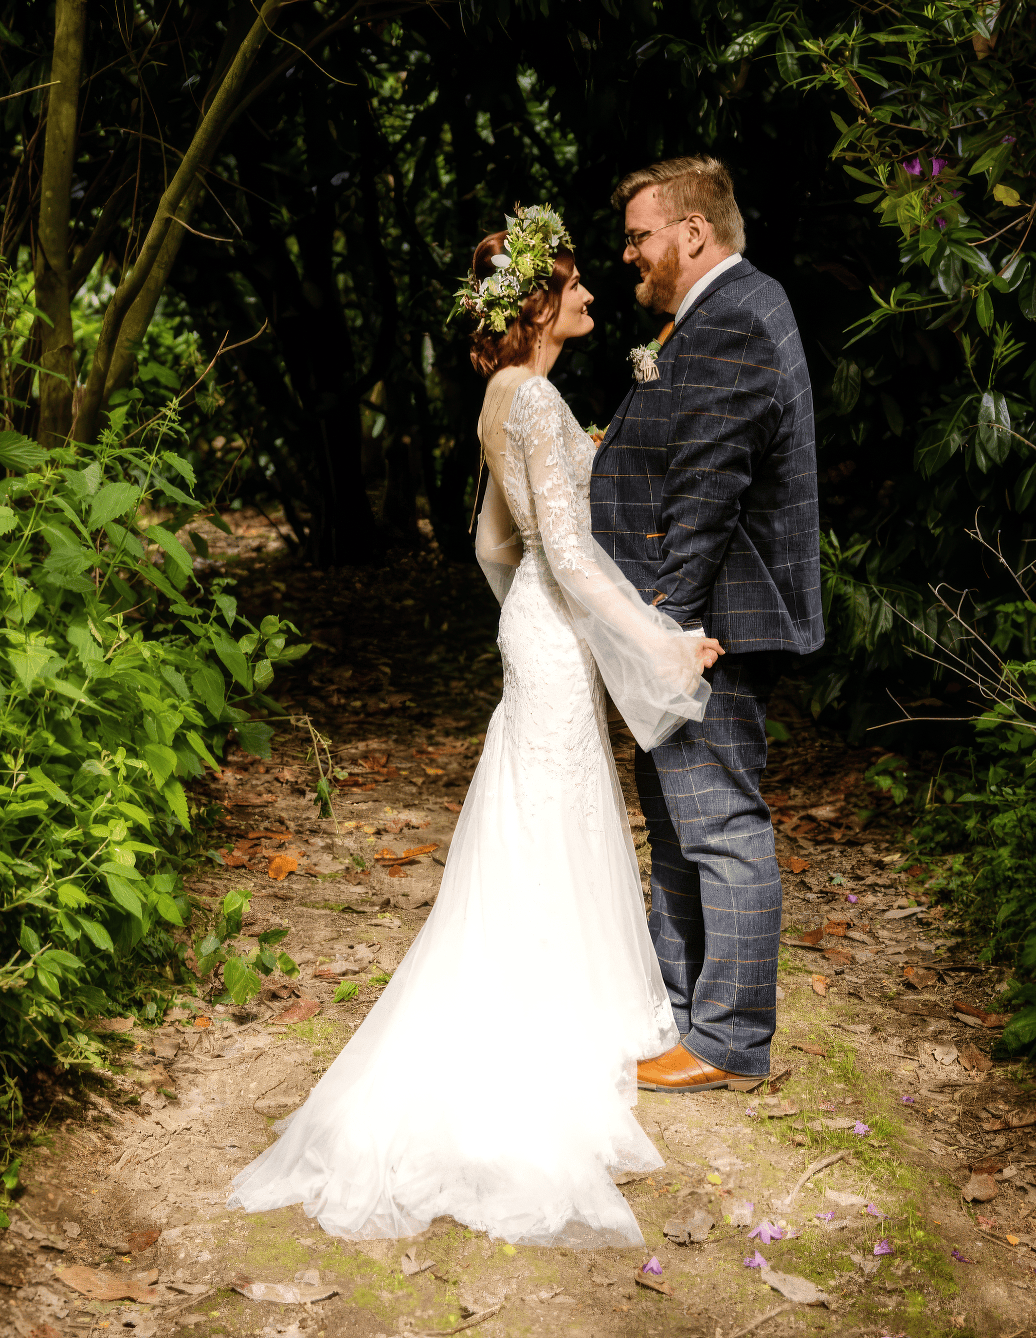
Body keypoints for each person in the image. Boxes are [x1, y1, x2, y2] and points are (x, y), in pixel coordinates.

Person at [227, 204, 722, 1248]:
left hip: (535, 629)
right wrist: (660, 641)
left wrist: (524, 613)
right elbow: (568, 553)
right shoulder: (534, 398)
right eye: (574, 283)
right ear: (538, 303)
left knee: (539, 808)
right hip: (555, 630)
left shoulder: (503, 396)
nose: (591, 292)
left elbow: (496, 543)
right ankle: (552, 1021)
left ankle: (553, 998)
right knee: (553, 808)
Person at [592, 156, 824, 1093]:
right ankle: (682, 1013)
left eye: (639, 236)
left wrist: (669, 629)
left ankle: (728, 1039)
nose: (628, 254)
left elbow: (708, 486)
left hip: (707, 623)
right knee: (679, 823)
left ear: (692, 233)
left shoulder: (732, 317)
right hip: (693, 617)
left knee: (719, 824)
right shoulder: (721, 313)